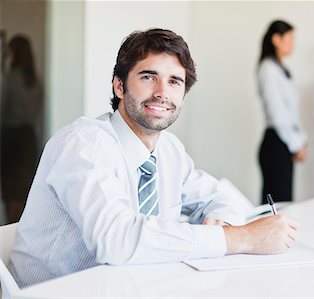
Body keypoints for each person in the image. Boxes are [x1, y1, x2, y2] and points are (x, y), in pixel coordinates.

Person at [8, 28, 299, 288]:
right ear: (119, 86)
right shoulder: (85, 143)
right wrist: (240, 238)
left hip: (137, 286)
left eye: (175, 82)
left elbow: (221, 197)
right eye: (149, 77)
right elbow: (117, 240)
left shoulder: (169, 149)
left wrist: (220, 223)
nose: (162, 93)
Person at [257, 20, 308, 204]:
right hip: (276, 143)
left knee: (284, 204)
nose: (293, 43)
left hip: (284, 143)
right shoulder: (268, 69)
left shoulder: (281, 69)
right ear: (276, 39)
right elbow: (278, 115)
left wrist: (300, 141)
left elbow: (292, 114)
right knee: (278, 208)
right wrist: (296, 145)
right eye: (290, 38)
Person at [0, 34, 43, 222]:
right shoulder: (36, 81)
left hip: (11, 136)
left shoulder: (9, 79)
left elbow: (3, 110)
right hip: (29, 137)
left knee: (9, 190)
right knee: (26, 189)